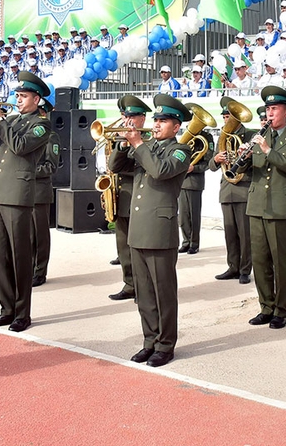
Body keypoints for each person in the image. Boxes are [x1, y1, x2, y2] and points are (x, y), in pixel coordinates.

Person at [0, 70, 52, 332]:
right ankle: (6, 309)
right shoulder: (12, 120)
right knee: (0, 257)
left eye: (23, 96)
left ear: (37, 99)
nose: (18, 100)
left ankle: (22, 313)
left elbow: (19, 146)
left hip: (18, 195)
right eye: (17, 95)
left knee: (20, 257)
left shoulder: (41, 125)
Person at [122, 93, 193, 368]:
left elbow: (160, 170)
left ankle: (165, 345)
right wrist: (123, 143)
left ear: (176, 127)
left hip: (160, 229)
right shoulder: (146, 147)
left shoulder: (180, 151)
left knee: (163, 293)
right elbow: (117, 166)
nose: (156, 124)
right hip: (139, 228)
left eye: (163, 121)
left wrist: (138, 143)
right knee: (144, 293)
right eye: (156, 120)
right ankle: (149, 340)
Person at [243, 86, 286, 330]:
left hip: (280, 206)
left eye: (275, 109)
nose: (269, 113)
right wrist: (242, 158)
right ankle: (266, 307)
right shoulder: (259, 136)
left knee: (280, 261)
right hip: (256, 204)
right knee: (259, 260)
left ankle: (281, 309)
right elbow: (248, 170)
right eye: (268, 109)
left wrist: (268, 151)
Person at [106, 95, 152, 301]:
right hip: (123, 198)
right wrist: (123, 145)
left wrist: (134, 142)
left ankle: (144, 288)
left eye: (132, 117)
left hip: (141, 199)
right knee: (123, 246)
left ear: (142, 118)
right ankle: (130, 284)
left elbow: (146, 167)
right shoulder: (121, 140)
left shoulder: (149, 139)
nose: (128, 121)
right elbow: (114, 166)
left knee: (140, 249)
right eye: (126, 116)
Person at [208, 97, 255, 284]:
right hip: (227, 190)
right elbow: (211, 166)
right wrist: (216, 159)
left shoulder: (250, 135)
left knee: (245, 234)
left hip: (243, 188)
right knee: (230, 234)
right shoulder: (222, 137)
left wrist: (242, 157)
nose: (227, 120)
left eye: (230, 116)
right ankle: (233, 267)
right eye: (225, 117)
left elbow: (254, 162)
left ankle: (245, 269)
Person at [32, 95, 60, 287]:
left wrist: (28, 171)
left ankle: (39, 271)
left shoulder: (50, 136)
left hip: (39, 192)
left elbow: (51, 166)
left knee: (39, 235)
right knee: (26, 235)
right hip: (24, 191)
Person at [178, 113, 214, 254]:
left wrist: (194, 168)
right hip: (182, 181)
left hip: (195, 181)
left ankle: (194, 243)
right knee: (183, 216)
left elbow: (208, 161)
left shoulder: (206, 138)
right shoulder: (186, 136)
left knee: (194, 215)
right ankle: (186, 241)